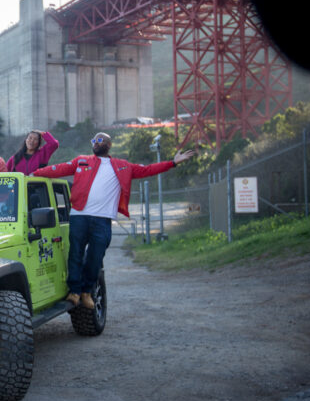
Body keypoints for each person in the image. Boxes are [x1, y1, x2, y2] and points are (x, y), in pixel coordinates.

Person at [33, 132, 195, 309]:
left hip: (103, 219)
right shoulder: (81, 160)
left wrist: (172, 163)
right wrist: (33, 174)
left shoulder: (122, 166)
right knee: (75, 254)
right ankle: (74, 291)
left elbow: (148, 170)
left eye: (99, 140)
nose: (95, 142)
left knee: (96, 256)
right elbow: (58, 169)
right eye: (93, 140)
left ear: (108, 145)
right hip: (79, 215)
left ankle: (87, 291)